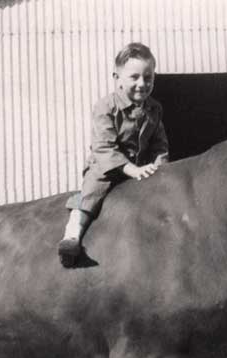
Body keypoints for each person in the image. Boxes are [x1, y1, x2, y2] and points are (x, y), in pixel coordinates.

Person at [58, 42, 169, 267]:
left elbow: (159, 145)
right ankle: (73, 233)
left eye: (148, 78)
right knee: (92, 190)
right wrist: (131, 169)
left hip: (141, 166)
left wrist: (161, 167)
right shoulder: (105, 107)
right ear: (117, 77)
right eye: (134, 77)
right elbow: (104, 148)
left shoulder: (154, 109)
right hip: (106, 166)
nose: (142, 84)